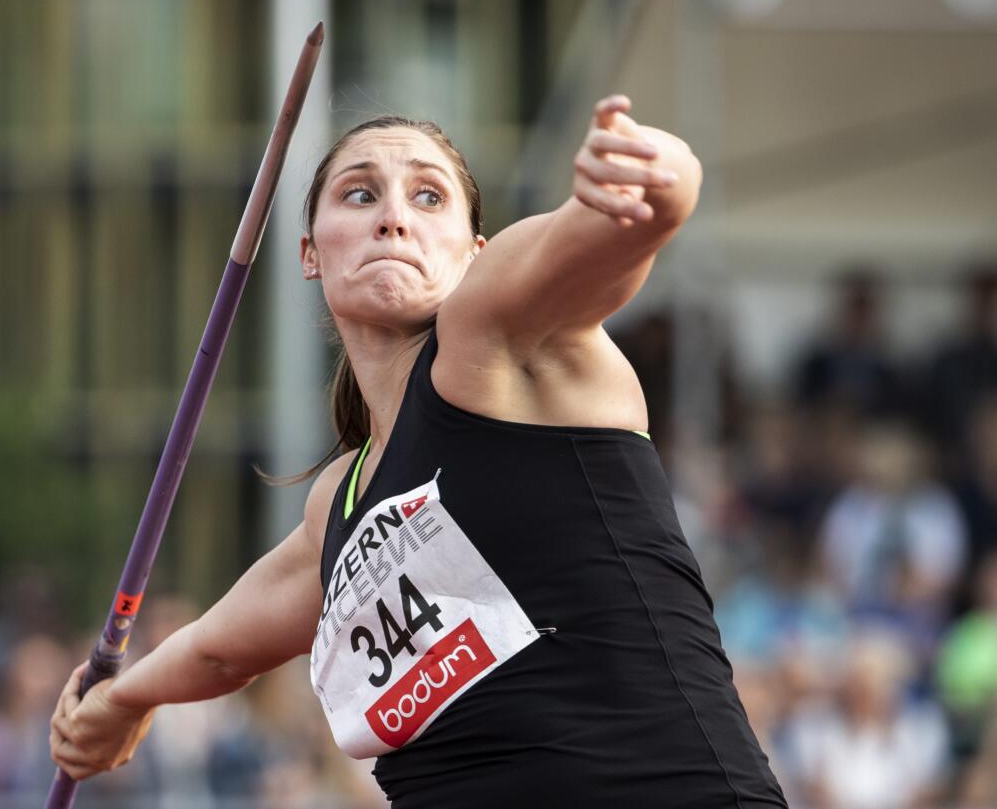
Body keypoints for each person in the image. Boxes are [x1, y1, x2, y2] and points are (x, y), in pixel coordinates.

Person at [48, 95, 788, 808]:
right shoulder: (334, 508)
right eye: (360, 195)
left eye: (428, 197)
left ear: (476, 252)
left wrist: (653, 176)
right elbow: (219, 650)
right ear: (310, 252)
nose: (395, 218)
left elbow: (622, 228)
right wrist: (123, 696)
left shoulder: (495, 336)